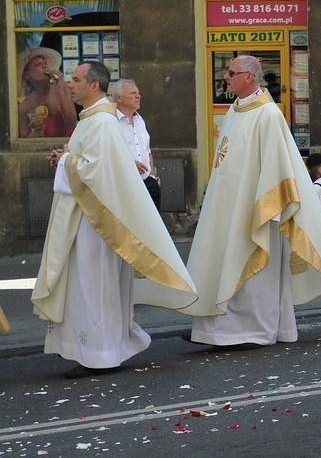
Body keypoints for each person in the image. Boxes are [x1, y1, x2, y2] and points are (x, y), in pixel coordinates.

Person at [31, 61, 198, 379]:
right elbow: (96, 163)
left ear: (94, 85)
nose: (70, 84)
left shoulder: (103, 123)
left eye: (77, 79)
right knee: (93, 286)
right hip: (92, 217)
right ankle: (105, 349)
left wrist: (65, 159)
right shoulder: (94, 120)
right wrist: (67, 156)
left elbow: (97, 172)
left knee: (97, 286)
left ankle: (101, 354)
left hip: (99, 222)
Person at [182, 55, 321, 349]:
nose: (226, 77)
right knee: (225, 262)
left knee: (253, 271)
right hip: (227, 206)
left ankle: (253, 330)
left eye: (232, 73)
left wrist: (268, 208)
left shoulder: (268, 114)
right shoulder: (235, 111)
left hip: (257, 209)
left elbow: (277, 166)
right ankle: (221, 328)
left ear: (249, 77)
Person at [114, 79, 161, 210]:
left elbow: (147, 150)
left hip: (147, 182)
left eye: (138, 93)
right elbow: (107, 152)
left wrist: (152, 176)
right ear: (119, 97)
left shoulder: (140, 120)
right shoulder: (111, 122)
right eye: (133, 93)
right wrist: (129, 164)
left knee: (153, 227)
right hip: (125, 184)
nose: (138, 96)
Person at [17, 47, 76, 138]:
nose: (44, 66)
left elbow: (72, 123)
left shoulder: (63, 87)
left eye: (45, 63)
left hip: (66, 147)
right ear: (26, 75)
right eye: (37, 64)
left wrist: (59, 91)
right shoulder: (25, 106)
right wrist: (35, 133)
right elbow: (22, 141)